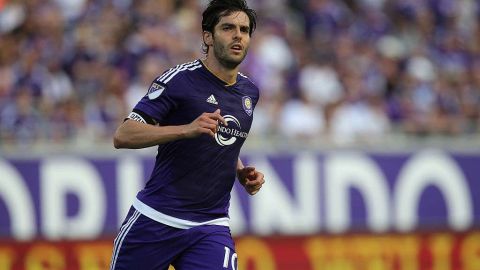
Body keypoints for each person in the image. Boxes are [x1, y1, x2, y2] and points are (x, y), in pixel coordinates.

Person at [109, 0, 265, 269]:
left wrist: (239, 170)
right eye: (228, 28)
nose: (238, 35)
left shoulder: (249, 93)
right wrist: (186, 129)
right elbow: (123, 135)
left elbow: (222, 137)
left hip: (211, 225)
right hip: (155, 220)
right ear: (208, 36)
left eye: (244, 29)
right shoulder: (180, 80)